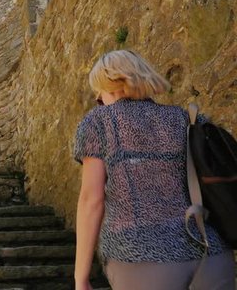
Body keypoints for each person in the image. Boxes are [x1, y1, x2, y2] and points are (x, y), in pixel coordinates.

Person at [73, 50, 235, 290]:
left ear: (109, 87)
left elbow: (91, 200)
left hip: (141, 258)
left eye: (99, 95)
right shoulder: (188, 118)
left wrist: (80, 276)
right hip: (209, 253)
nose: (100, 101)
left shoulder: (100, 121)